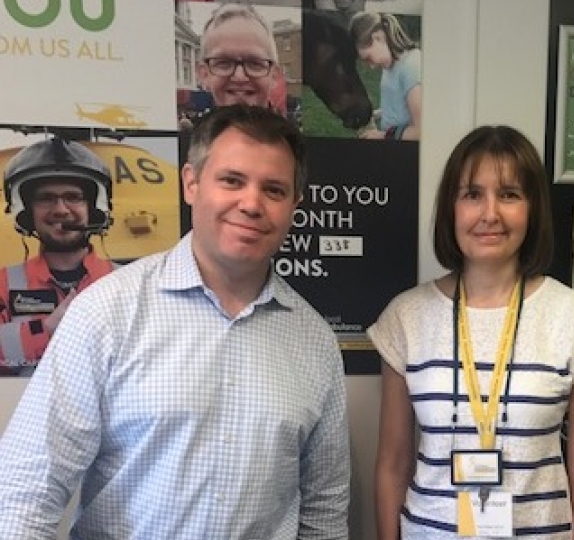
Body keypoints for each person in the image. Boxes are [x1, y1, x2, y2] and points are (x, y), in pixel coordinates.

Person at [0, 104, 350, 539]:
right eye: (232, 181)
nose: (252, 204)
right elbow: (29, 486)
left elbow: (324, 508)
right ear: (191, 183)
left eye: (274, 190)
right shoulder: (107, 311)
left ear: (294, 205)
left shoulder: (314, 340)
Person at [368, 126, 574, 539]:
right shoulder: (406, 317)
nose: (490, 214)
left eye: (509, 194)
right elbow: (392, 466)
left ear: (533, 208)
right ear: (451, 208)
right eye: (472, 194)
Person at [1, 137, 116, 377]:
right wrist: (46, 330)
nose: (61, 210)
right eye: (46, 198)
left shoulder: (129, 283)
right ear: (26, 212)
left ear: (93, 208)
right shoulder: (3, 284)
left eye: (73, 197)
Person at [197, 2, 287, 115]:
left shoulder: (290, 133)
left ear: (274, 75)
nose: (239, 77)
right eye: (224, 63)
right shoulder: (194, 132)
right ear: (204, 74)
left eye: (254, 63)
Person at [349, 12, 421, 141]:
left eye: (368, 58)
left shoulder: (411, 66)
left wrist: (382, 136)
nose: (371, 67)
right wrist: (375, 115)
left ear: (378, 38)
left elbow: (420, 130)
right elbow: (400, 106)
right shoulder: (389, 66)